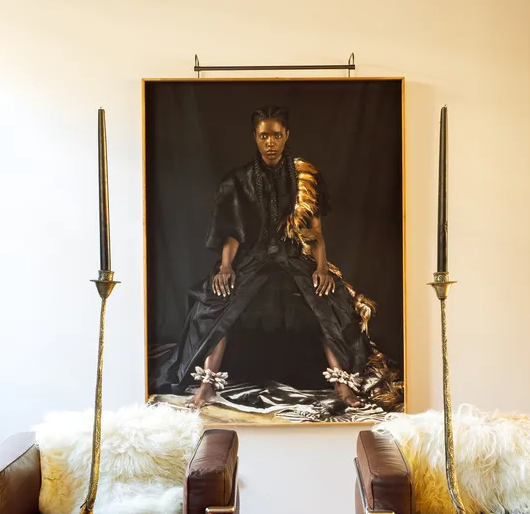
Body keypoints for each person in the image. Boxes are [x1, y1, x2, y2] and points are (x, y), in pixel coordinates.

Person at [156, 106, 401, 414]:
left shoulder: (304, 178)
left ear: (286, 135)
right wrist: (226, 266)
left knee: (325, 301)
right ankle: (207, 385)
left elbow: (315, 232)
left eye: (275, 135)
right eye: (263, 136)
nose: (269, 142)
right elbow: (232, 233)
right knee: (219, 300)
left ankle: (342, 385)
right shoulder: (238, 180)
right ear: (255, 138)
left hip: (294, 258)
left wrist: (323, 268)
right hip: (251, 259)